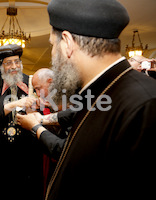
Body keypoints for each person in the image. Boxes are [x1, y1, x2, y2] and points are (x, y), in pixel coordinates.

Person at [42, 0, 156, 199]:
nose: (52, 54)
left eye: (52, 45)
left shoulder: (146, 105)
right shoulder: (96, 93)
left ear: (67, 42)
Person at [0, 44, 43, 200]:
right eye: (9, 63)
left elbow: (43, 111)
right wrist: (13, 105)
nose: (14, 66)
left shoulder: (30, 82)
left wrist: (35, 109)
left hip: (25, 149)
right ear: (1, 66)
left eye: (17, 61)